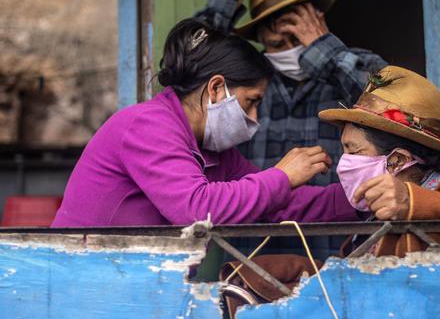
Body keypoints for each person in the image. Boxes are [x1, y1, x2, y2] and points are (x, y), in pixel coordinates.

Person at [220, 66, 440, 315]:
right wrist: (302, 272)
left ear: (397, 160)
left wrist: (419, 206)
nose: (344, 163)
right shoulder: (376, 217)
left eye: (354, 151)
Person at [51, 19, 358, 227]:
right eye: (252, 101)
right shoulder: (147, 125)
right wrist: (281, 175)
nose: (255, 119)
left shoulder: (214, 150)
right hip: (87, 277)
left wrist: (359, 198)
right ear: (216, 88)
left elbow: (278, 203)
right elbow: (196, 209)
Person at [195, 0, 387, 185]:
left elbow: (391, 108)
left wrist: (323, 50)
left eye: (297, 40)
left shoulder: (361, 65)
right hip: (259, 211)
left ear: (318, 23)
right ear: (260, 40)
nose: (290, 50)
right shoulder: (244, 77)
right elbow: (190, 56)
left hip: (336, 211)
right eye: (277, 44)